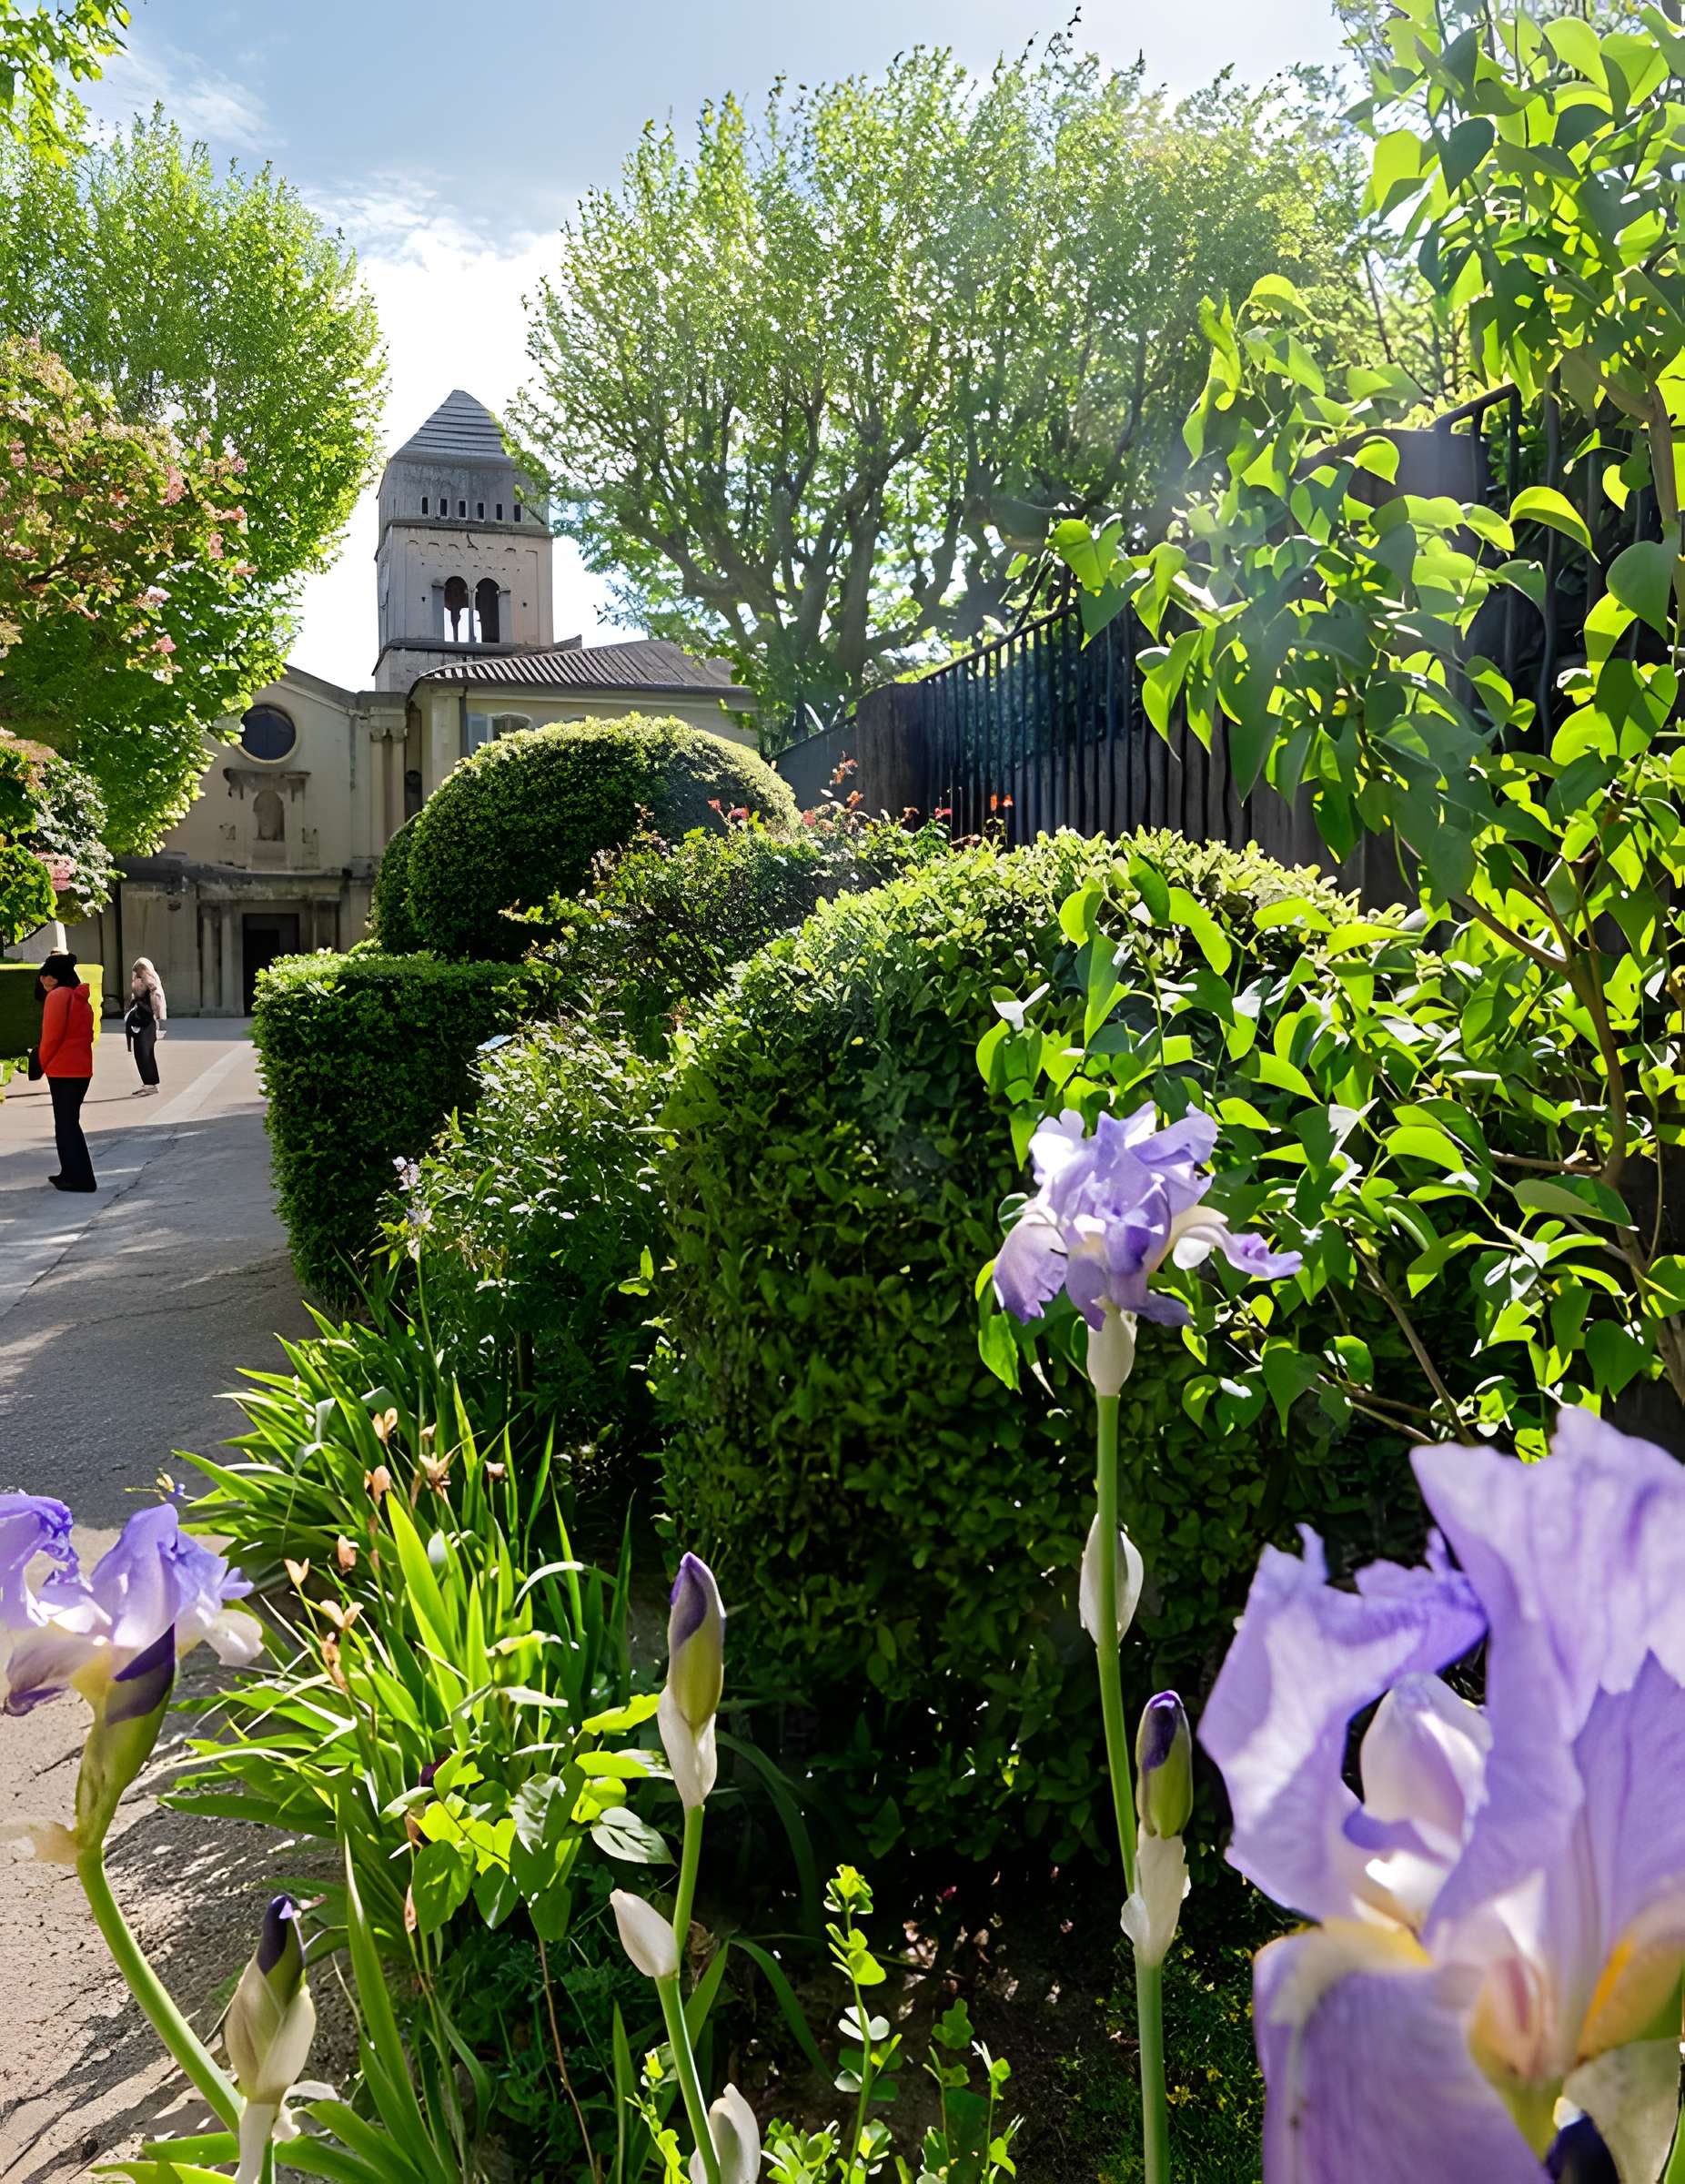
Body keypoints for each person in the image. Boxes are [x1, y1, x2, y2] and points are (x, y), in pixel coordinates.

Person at [35, 951, 96, 1192]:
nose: (44, 980)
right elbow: (88, 1035)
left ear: (59, 976)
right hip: (81, 1068)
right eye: (43, 975)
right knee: (69, 1122)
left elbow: (51, 1037)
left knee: (66, 1124)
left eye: (49, 975)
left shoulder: (57, 997)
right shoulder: (79, 997)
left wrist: (41, 1063)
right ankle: (70, 1172)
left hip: (62, 1069)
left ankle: (80, 1178)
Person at [124, 956, 166, 1095]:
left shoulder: (148, 983)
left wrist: (155, 1015)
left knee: (143, 1053)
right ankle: (150, 1084)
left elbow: (153, 999)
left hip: (145, 1022)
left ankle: (150, 1085)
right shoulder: (150, 983)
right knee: (144, 1053)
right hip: (147, 1020)